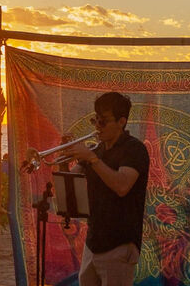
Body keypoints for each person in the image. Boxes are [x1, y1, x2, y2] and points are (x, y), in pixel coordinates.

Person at [62, 92, 149, 286]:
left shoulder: (134, 149)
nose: (97, 126)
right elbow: (71, 182)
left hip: (119, 244)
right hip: (93, 242)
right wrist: (66, 158)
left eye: (104, 121)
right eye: (96, 120)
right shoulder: (97, 150)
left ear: (121, 121)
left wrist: (91, 159)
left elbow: (122, 185)